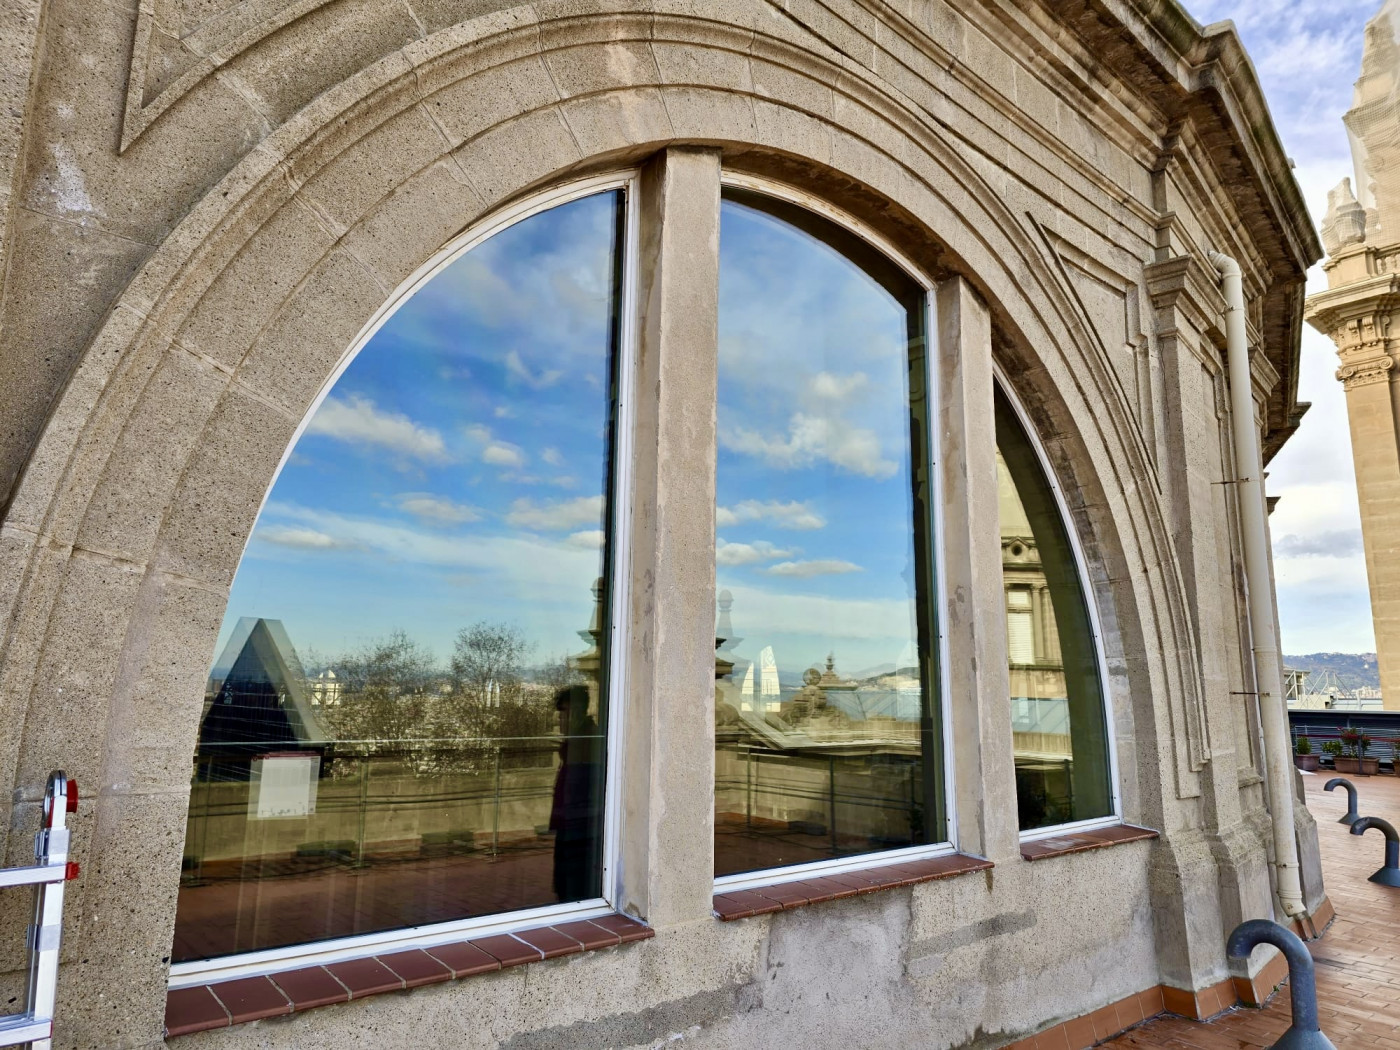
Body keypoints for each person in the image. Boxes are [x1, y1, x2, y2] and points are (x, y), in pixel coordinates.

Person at [549, 685, 603, 901]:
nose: (560, 720)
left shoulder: (587, 742)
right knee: (566, 887)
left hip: (578, 829)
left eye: (564, 713)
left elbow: (584, 789)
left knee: (573, 890)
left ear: (578, 712)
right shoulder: (576, 742)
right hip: (570, 825)